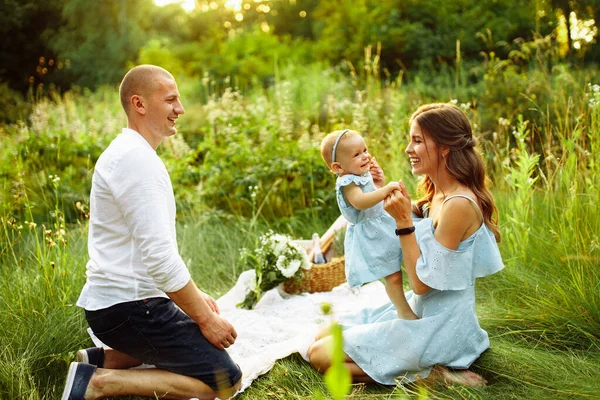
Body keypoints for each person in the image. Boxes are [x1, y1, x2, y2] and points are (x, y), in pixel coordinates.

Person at [61, 65, 242, 400]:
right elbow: (160, 260)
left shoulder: (130, 152)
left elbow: (150, 256)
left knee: (199, 345)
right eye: (171, 100)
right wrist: (204, 320)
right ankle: (98, 382)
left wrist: (195, 296)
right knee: (226, 379)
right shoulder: (136, 161)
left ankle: (105, 358)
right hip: (130, 307)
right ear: (139, 104)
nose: (181, 109)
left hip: (127, 301)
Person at [308, 103, 504, 386]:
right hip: (419, 309)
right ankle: (412, 365)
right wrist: (378, 188)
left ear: (445, 147)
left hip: (441, 327)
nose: (408, 149)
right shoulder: (437, 191)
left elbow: (424, 284)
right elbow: (399, 222)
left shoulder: (458, 205)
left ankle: (433, 377)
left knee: (319, 355)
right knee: (321, 334)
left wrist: (404, 223)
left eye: (417, 141)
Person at [320, 129, 418, 320]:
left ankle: (418, 296)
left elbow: (372, 198)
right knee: (392, 275)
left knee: (409, 258)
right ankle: (403, 311)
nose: (365, 156)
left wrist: (379, 184)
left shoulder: (359, 174)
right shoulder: (346, 182)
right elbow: (360, 202)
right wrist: (386, 190)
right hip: (371, 234)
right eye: (357, 154)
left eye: (365, 150)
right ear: (338, 167)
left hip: (383, 225)